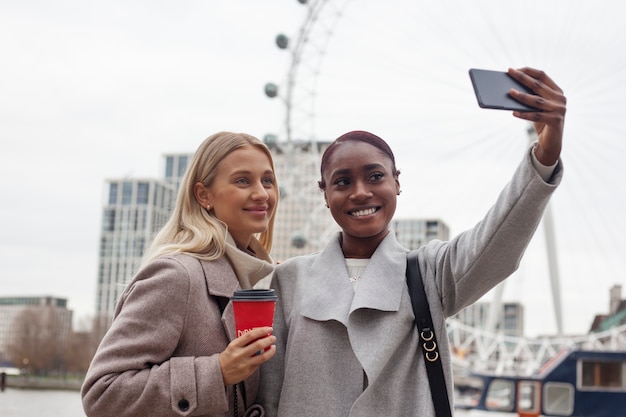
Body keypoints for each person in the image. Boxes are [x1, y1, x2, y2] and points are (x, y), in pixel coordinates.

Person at [257, 67, 566, 416]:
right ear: (325, 194)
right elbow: (266, 391)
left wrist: (545, 155)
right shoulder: (289, 279)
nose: (360, 192)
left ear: (397, 183)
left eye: (375, 176)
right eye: (342, 182)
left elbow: (498, 239)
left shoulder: (429, 273)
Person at [82, 132, 279, 417]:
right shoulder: (177, 275)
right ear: (203, 195)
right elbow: (102, 393)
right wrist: (218, 372)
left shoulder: (254, 279)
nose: (262, 193)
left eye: (268, 180)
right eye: (242, 180)